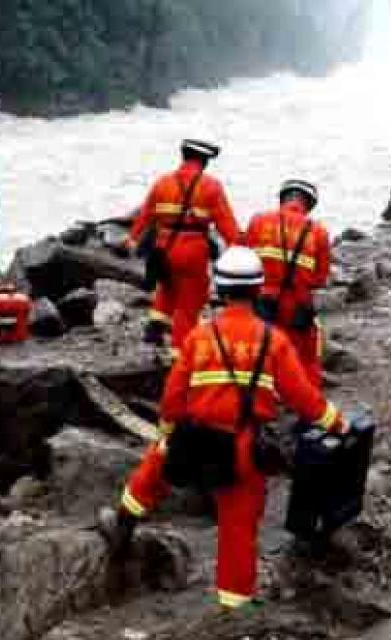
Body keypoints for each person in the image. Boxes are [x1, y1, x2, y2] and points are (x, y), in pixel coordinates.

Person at [99, 247, 348, 611]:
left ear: (220, 288)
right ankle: (234, 604)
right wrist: (335, 422)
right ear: (258, 288)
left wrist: (168, 428)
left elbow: (174, 392)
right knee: (238, 526)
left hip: (194, 436)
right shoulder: (272, 340)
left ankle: (125, 520)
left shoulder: (201, 336)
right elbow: (302, 397)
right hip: (240, 447)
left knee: (157, 463)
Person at [128, 139, 240, 354]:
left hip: (163, 248)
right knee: (190, 301)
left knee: (168, 285)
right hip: (193, 250)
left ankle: (155, 326)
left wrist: (131, 240)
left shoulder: (162, 183)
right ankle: (180, 352)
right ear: (204, 161)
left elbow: (145, 215)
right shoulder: (211, 186)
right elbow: (226, 223)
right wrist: (239, 248)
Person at [243, 179, 331, 389]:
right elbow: (320, 278)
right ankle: (307, 408)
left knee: (257, 351)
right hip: (297, 304)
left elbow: (244, 260)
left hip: (261, 301)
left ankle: (260, 394)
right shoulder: (318, 232)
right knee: (306, 357)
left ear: (283, 198)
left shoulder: (258, 221)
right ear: (308, 204)